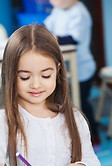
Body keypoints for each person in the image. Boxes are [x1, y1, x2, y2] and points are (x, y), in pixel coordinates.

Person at [0, 24, 101, 166]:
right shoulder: (5, 121)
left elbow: (93, 162)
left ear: (57, 70)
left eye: (45, 75)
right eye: (25, 77)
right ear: (11, 75)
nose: (36, 84)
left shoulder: (74, 117)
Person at [44, 0, 101, 146]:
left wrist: (54, 38)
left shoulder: (79, 12)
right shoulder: (58, 10)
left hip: (82, 69)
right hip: (66, 68)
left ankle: (93, 136)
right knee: (67, 102)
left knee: (81, 104)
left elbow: (73, 39)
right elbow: (47, 26)